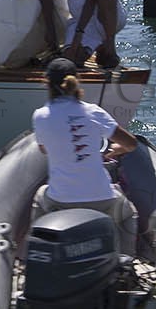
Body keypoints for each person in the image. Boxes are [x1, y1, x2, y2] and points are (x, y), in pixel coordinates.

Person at [30, 58, 140, 252]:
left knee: (40, 197)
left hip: (60, 202)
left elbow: (44, 149)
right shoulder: (94, 112)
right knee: (128, 214)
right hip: (102, 200)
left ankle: (32, 254)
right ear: (77, 80)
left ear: (47, 83)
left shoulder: (40, 115)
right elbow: (131, 143)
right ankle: (127, 260)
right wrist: (116, 150)